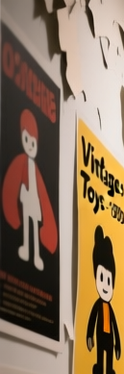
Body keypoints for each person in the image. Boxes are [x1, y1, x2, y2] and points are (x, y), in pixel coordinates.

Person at [2, 109, 56, 272]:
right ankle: (26, 248)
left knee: (34, 227)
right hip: (26, 200)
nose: (30, 145)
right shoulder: (22, 162)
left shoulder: (35, 169)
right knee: (27, 225)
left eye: (33, 142)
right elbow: (12, 179)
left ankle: (36, 254)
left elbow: (43, 194)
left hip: (34, 203)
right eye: (28, 139)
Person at [84, 226, 121, 374]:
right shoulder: (98, 305)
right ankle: (99, 368)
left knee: (109, 356)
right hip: (100, 336)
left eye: (109, 280)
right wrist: (89, 336)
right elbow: (92, 320)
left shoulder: (110, 308)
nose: (106, 285)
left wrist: (118, 344)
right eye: (102, 278)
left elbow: (115, 327)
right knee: (100, 354)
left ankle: (109, 371)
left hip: (109, 337)